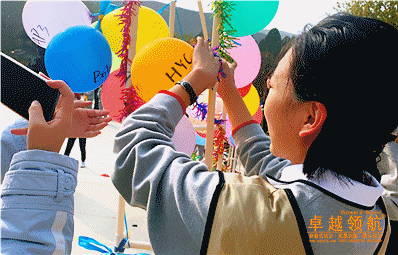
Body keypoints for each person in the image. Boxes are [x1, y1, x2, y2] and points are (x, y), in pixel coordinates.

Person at [1, 13, 397, 255]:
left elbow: (134, 149)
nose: (267, 94)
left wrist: (192, 82)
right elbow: (276, 173)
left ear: (311, 117)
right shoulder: (374, 218)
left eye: (274, 85)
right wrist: (228, 93)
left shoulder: (239, 215)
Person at [64, 93, 88, 167]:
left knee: (82, 146)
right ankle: (64, 159)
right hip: (74, 130)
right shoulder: (70, 108)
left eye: (76, 99)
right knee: (69, 145)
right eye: (74, 99)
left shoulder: (83, 108)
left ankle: (83, 161)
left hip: (82, 130)